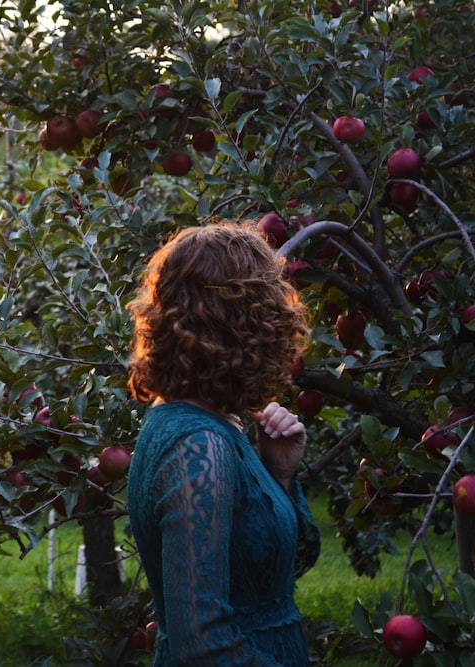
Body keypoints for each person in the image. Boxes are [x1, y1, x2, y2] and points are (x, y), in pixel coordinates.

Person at [125, 221, 321, 666]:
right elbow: (203, 645)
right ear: (251, 324)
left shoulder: (207, 427)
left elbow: (268, 579)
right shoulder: (198, 444)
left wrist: (280, 475)